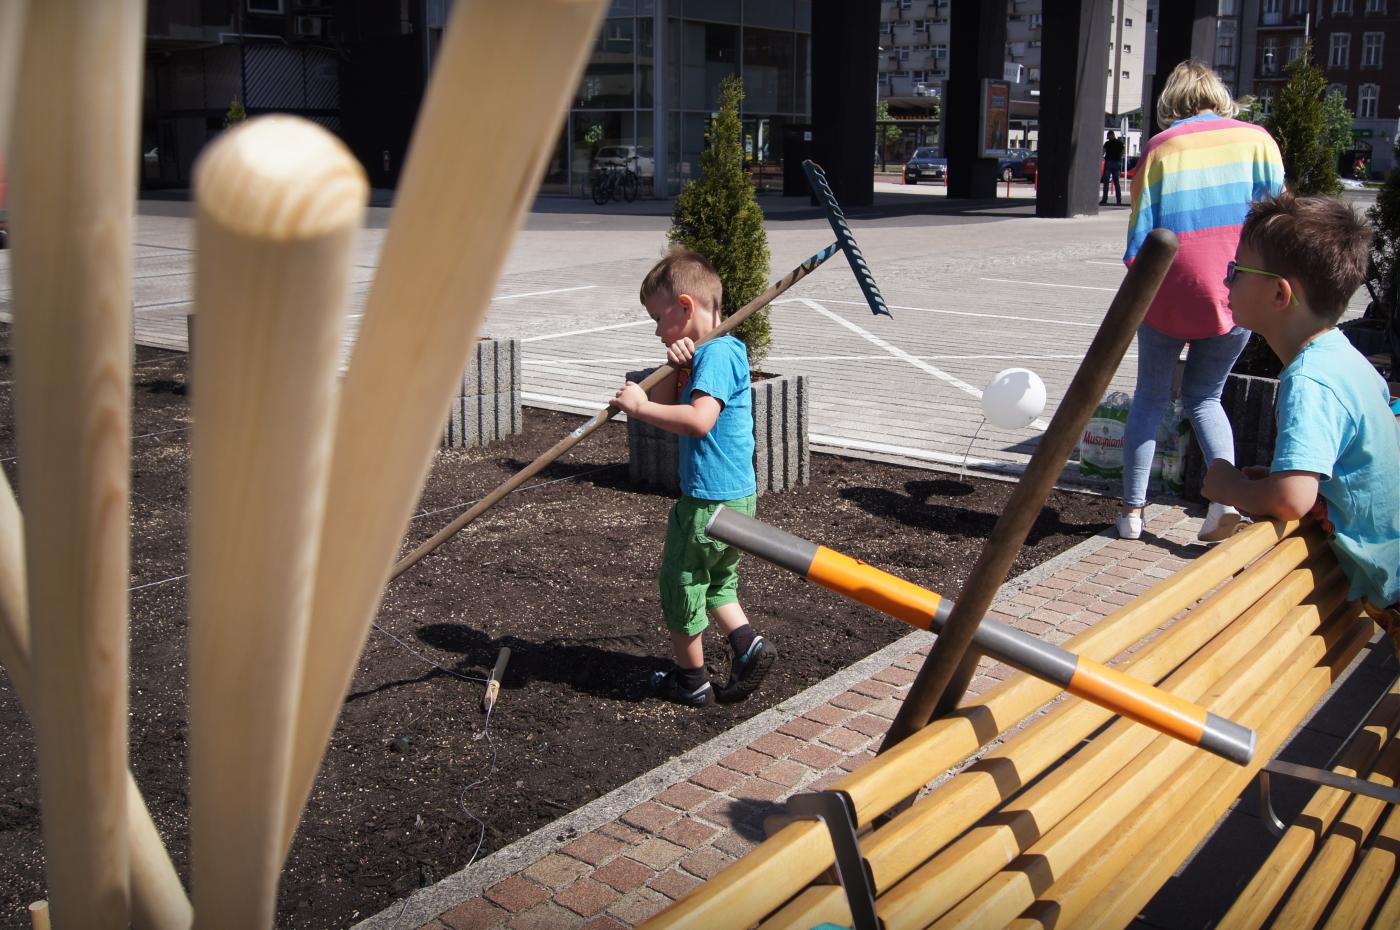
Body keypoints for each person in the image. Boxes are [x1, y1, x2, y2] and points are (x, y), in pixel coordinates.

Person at [1203, 192, 1400, 647]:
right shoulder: (1347, 358)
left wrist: (1229, 486)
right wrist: (1269, 481)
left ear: (1278, 292)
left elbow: (1292, 498)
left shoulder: (1309, 379)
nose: (1227, 281)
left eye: (1237, 271)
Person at [1116, 60, 1285, 543]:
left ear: (1173, 100)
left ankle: (1131, 513)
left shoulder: (1161, 148)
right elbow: (1276, 223)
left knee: (1150, 396)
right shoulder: (1258, 141)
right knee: (1206, 397)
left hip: (1168, 287)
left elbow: (1141, 238)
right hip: (1237, 290)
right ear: (1218, 94)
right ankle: (1222, 505)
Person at [610, 248, 776, 707]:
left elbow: (699, 420)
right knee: (720, 580)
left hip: (706, 501)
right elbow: (670, 394)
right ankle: (747, 646)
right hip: (737, 498)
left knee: (682, 583)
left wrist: (640, 407)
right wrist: (675, 365)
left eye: (659, 318)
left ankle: (691, 680)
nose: (658, 329)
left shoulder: (717, 355)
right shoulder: (715, 352)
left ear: (685, 307)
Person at [1101, 131, 1125, 205]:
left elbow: (1102, 152)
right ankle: (1119, 200)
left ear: (1111, 135)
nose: (1108, 138)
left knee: (1106, 182)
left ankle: (1104, 199)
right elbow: (1123, 151)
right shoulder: (1120, 143)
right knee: (1116, 182)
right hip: (1117, 163)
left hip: (1109, 163)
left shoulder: (1107, 143)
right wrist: (1120, 157)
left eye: (1108, 137)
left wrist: (1102, 157)